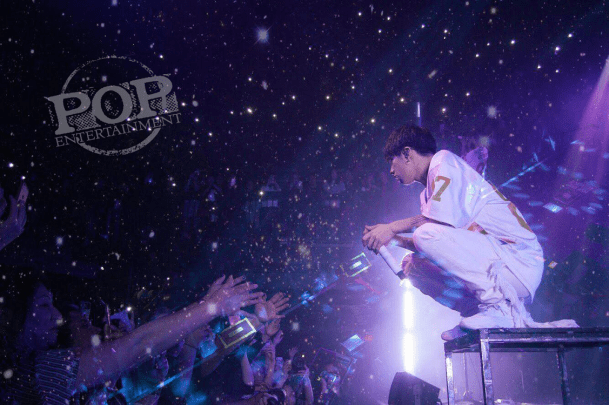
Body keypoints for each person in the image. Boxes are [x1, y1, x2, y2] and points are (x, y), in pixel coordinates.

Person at [362, 125, 577, 340]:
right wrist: (393, 240)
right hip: (500, 267)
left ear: (407, 154)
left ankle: (497, 308)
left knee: (424, 234)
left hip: (518, 261)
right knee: (412, 266)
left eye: (391, 160)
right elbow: (436, 243)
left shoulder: (443, 161)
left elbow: (430, 228)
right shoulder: (426, 194)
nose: (391, 170)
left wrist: (390, 228)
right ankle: (481, 315)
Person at [0, 274, 263, 402]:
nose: (56, 315)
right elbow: (138, 345)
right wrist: (211, 307)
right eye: (43, 305)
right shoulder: (36, 371)